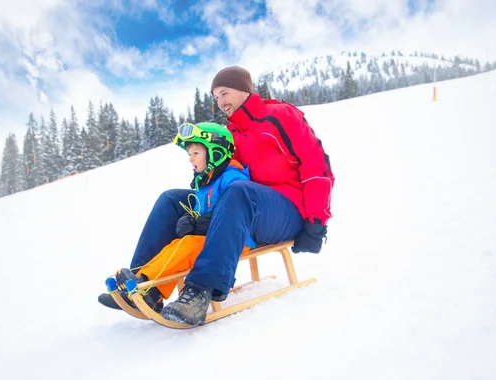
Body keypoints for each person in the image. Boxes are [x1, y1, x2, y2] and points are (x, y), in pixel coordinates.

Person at [106, 65, 334, 327]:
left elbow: (318, 168)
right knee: (172, 200)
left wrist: (317, 222)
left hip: (288, 209)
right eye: (216, 97)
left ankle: (200, 292)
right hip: (245, 208)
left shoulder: (280, 116)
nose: (221, 102)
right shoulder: (232, 134)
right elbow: (218, 181)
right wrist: (201, 216)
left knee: (240, 192)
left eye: (224, 93)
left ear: (244, 90)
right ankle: (143, 284)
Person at [98, 122, 256, 312]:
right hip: (209, 238)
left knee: (185, 247)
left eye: (196, 153)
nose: (190, 159)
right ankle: (148, 289)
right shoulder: (205, 182)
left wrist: (200, 224)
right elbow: (202, 211)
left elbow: (233, 211)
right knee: (175, 246)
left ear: (216, 152)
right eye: (189, 154)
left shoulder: (233, 178)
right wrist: (190, 219)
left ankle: (146, 284)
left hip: (234, 243)